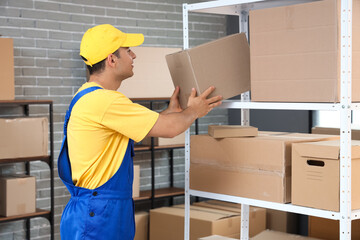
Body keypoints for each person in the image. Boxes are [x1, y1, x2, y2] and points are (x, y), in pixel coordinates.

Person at [58, 24, 222, 240]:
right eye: (128, 50)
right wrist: (195, 110)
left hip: (97, 210)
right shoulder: (105, 101)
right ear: (111, 60)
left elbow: (149, 125)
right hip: (99, 215)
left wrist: (170, 112)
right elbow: (171, 129)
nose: (133, 55)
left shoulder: (88, 96)